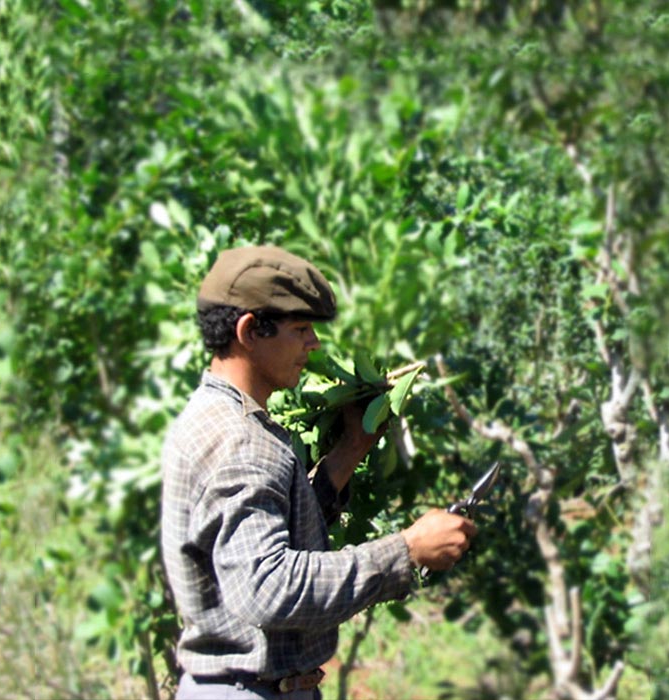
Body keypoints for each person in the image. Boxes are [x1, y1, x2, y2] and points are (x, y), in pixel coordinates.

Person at [161, 245, 477, 700]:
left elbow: (263, 535)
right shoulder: (241, 443)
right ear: (250, 331)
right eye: (301, 329)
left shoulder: (209, 416)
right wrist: (406, 550)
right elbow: (268, 588)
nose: (314, 345)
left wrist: (351, 448)